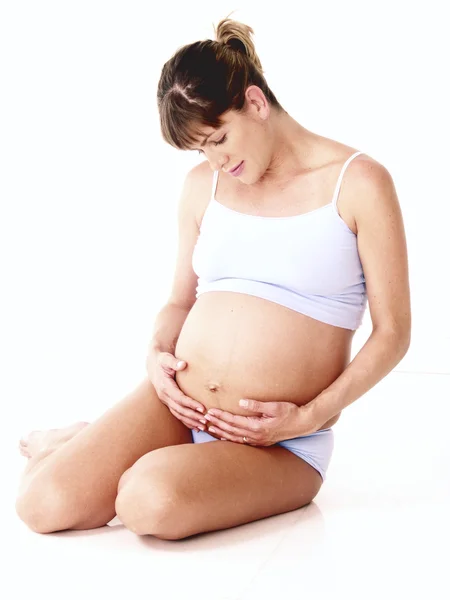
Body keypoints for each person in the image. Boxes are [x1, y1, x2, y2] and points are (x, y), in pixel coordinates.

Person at [16, 16, 411, 540]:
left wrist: (309, 417)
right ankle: (76, 444)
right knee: (40, 506)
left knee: (148, 501)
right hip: (177, 404)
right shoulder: (203, 186)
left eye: (220, 138)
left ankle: (133, 458)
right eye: (202, 148)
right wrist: (156, 356)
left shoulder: (357, 183)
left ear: (255, 101)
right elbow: (179, 302)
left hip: (280, 444)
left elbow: (393, 334)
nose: (217, 161)